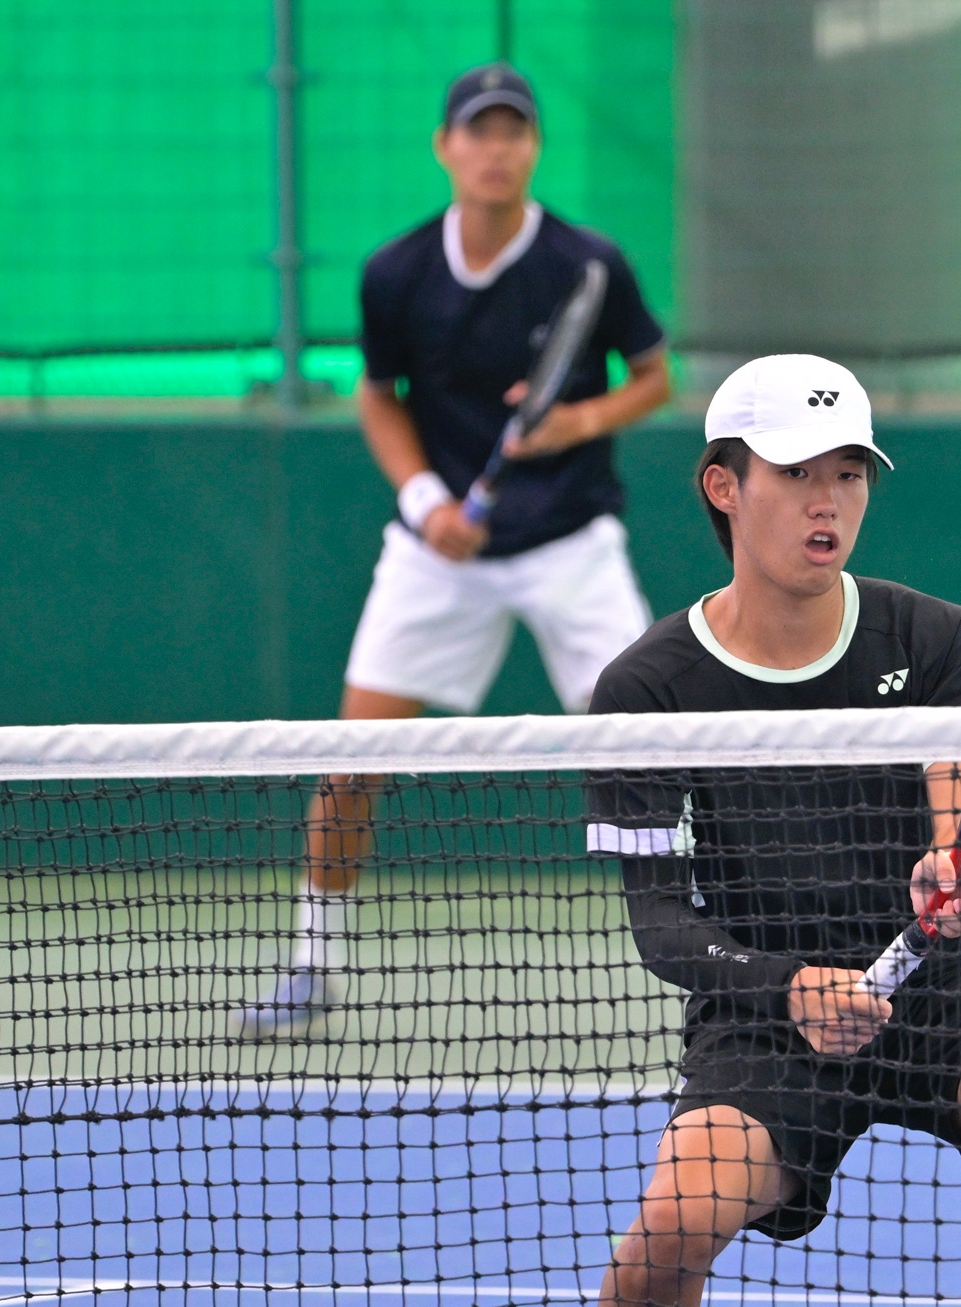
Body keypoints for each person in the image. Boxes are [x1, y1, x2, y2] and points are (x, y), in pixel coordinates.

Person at [422, 355, 961, 1307]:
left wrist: (951, 857)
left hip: (938, 979)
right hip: (761, 1007)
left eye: (849, 473)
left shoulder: (933, 637)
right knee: (676, 1219)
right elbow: (658, 919)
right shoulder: (649, 686)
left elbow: (956, 807)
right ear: (724, 486)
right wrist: (786, 987)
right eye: (796, 474)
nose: (826, 500)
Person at [236, 62, 672, 1038]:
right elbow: (377, 396)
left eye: (514, 130)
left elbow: (655, 377)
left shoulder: (588, 263)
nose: (495, 148)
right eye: (478, 130)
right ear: (445, 147)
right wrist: (426, 499)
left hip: (570, 539)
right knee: (352, 763)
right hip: (438, 552)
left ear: (534, 148)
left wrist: (576, 422)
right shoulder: (395, 272)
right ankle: (313, 961)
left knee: (652, 748)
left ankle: (722, 949)